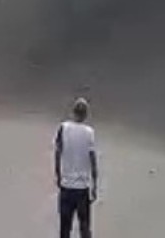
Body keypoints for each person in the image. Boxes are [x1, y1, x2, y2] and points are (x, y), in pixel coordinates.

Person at [55, 97, 98, 238]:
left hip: (67, 185)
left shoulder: (63, 128)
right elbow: (93, 160)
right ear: (86, 114)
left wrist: (58, 175)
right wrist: (94, 185)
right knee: (84, 226)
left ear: (73, 112)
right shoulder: (89, 132)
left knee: (65, 227)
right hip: (82, 187)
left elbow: (58, 152)